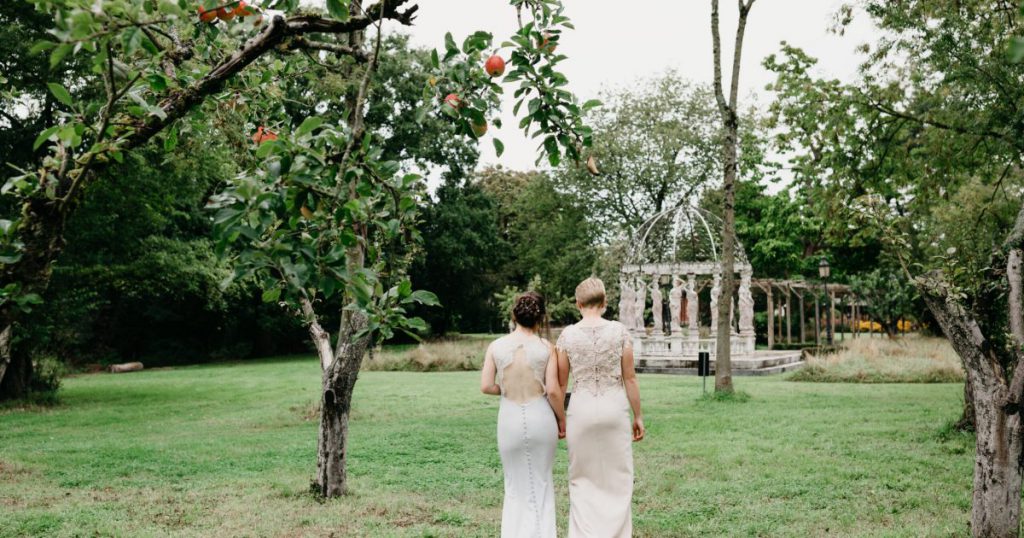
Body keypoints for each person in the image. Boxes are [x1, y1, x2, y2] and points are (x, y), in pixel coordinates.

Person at [552, 277, 644, 538]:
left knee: (581, 479)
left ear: (578, 303)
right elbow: (630, 378)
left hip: (580, 410)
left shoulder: (567, 335)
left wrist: (560, 419)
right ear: (604, 302)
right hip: (614, 409)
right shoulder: (619, 332)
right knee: (618, 479)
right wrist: (638, 416)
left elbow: (560, 384)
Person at [480, 292, 565, 538]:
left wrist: (504, 389)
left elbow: (486, 386)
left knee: (514, 485)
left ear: (514, 315)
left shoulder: (496, 346)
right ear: (540, 318)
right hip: (540, 418)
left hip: (509, 418)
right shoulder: (547, 348)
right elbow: (553, 391)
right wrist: (562, 420)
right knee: (541, 482)